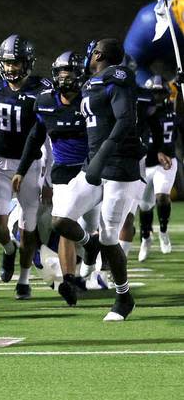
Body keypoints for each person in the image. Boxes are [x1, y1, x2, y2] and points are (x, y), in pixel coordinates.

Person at [46, 39, 149, 321]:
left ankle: (123, 296)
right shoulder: (92, 82)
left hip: (119, 167)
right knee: (61, 219)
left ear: (99, 55)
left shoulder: (117, 75)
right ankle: (88, 245)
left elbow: (125, 120)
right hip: (94, 165)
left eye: (92, 52)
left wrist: (102, 157)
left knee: (108, 235)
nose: (87, 57)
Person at [0, 35, 49, 299]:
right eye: (7, 62)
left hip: (29, 164)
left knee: (28, 226)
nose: (11, 68)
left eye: (16, 62)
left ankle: (24, 280)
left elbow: (45, 135)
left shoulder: (41, 89)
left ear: (27, 63)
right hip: (0, 161)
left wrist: (46, 175)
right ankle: (8, 250)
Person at [13, 52, 95, 295]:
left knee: (97, 228)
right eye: (60, 72)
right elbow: (35, 136)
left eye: (69, 72)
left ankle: (92, 268)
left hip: (90, 171)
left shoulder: (90, 100)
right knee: (64, 224)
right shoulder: (46, 102)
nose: (64, 77)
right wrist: (21, 169)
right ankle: (69, 279)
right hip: (62, 173)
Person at [137, 75, 177, 260]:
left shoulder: (173, 109)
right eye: (154, 93)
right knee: (145, 206)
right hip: (147, 161)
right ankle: (145, 238)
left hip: (168, 161)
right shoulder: (142, 113)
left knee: (162, 197)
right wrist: (155, 152)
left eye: (161, 92)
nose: (158, 97)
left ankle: (163, 231)